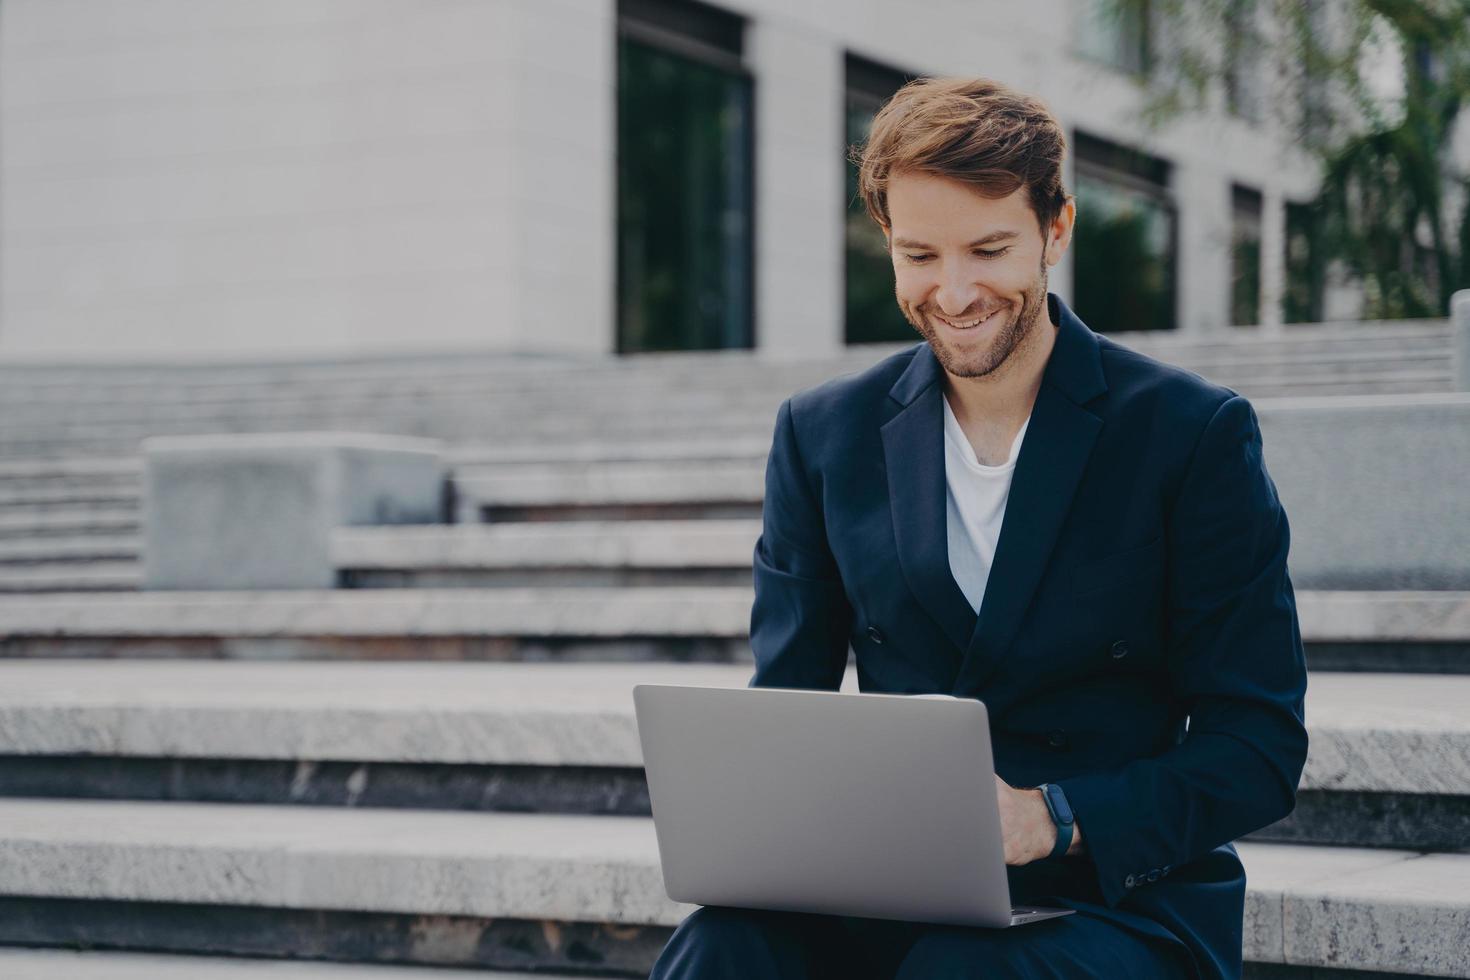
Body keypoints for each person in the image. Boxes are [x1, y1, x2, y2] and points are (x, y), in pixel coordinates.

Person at [648, 76, 1309, 980]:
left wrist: (1054, 815)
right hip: (888, 891)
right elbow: (786, 713)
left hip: (1115, 900)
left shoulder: (1190, 434)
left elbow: (1259, 745)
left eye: (988, 250)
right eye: (919, 255)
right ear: (887, 242)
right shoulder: (821, 434)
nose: (953, 293)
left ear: (1056, 231)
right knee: (720, 948)